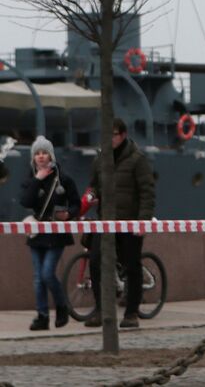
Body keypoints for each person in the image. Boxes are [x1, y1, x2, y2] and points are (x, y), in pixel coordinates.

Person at [85, 117, 155, 328]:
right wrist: (91, 194)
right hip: (105, 222)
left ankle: (131, 313)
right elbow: (94, 185)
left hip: (129, 223)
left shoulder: (137, 159)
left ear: (122, 135)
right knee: (96, 262)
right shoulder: (100, 160)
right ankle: (100, 310)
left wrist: (142, 221)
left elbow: (147, 192)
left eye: (112, 134)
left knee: (131, 265)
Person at [20, 136, 81, 331]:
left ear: (51, 155)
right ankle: (42, 316)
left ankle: (62, 306)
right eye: (37, 153)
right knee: (38, 277)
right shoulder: (31, 178)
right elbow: (26, 201)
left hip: (56, 233)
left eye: (44, 153)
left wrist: (69, 214)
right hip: (37, 232)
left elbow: (76, 204)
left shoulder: (64, 178)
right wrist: (37, 179)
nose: (40, 157)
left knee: (47, 274)